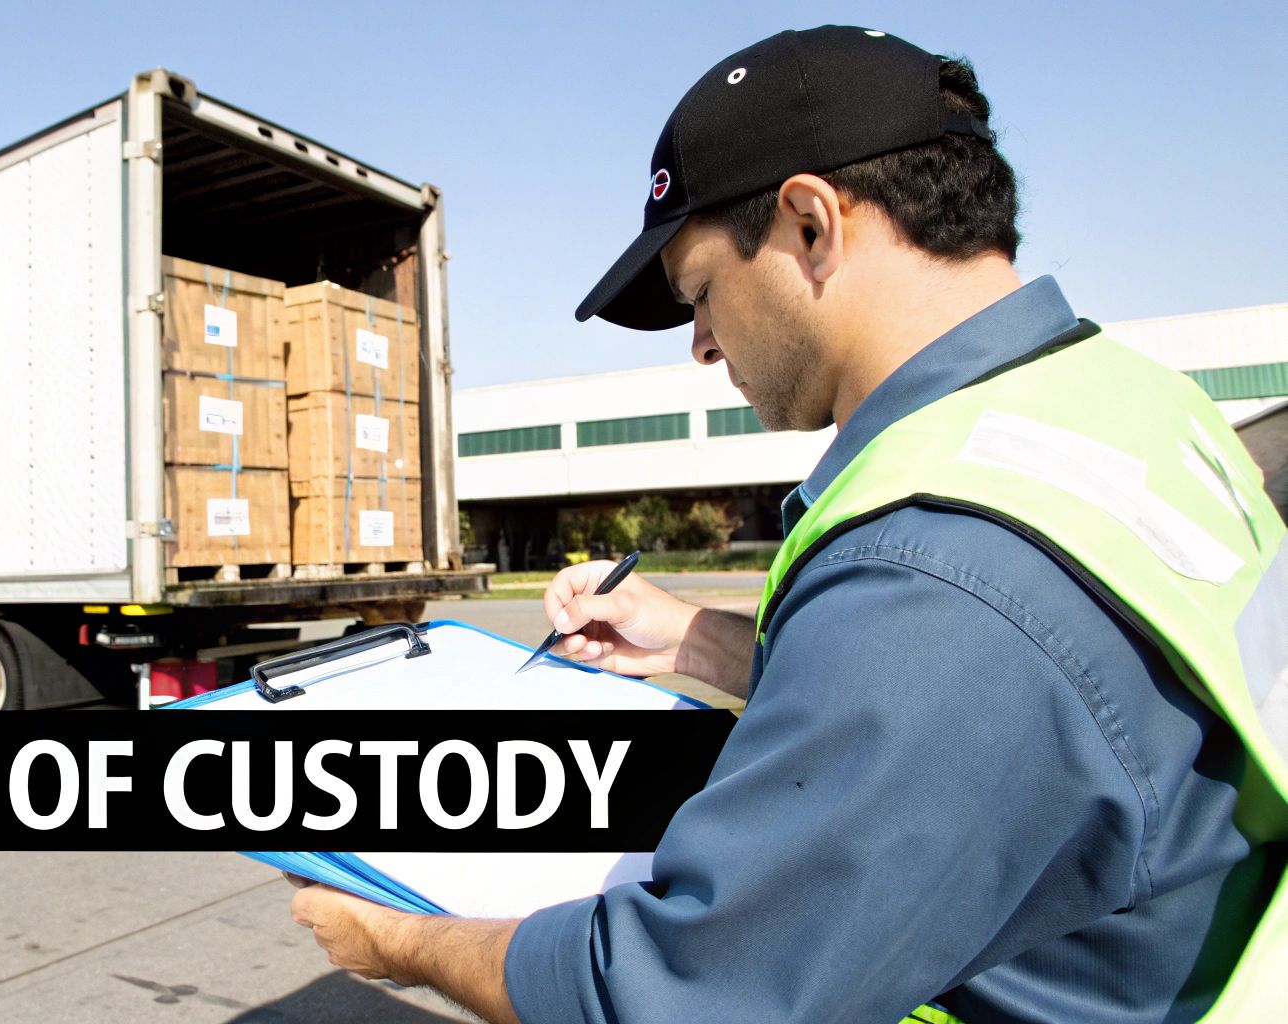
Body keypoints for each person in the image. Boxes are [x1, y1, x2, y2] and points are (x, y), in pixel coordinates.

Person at [288, 25, 1286, 1023]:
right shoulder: (1127, 408)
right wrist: (697, 637)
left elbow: (679, 995)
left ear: (810, 224)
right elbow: (1034, 727)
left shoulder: (934, 573)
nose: (700, 344)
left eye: (699, 292)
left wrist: (397, 939)